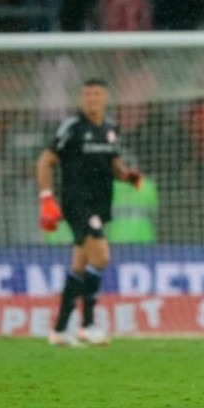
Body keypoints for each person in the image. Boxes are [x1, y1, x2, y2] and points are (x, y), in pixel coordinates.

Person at [36, 78, 143, 347]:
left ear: (105, 97)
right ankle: (88, 324)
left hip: (99, 204)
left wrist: (127, 176)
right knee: (102, 257)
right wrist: (47, 198)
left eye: (96, 94)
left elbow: (113, 161)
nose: (91, 98)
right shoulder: (72, 126)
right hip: (77, 203)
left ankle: (59, 330)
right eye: (87, 94)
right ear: (82, 98)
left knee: (79, 265)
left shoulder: (109, 128)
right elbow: (45, 161)